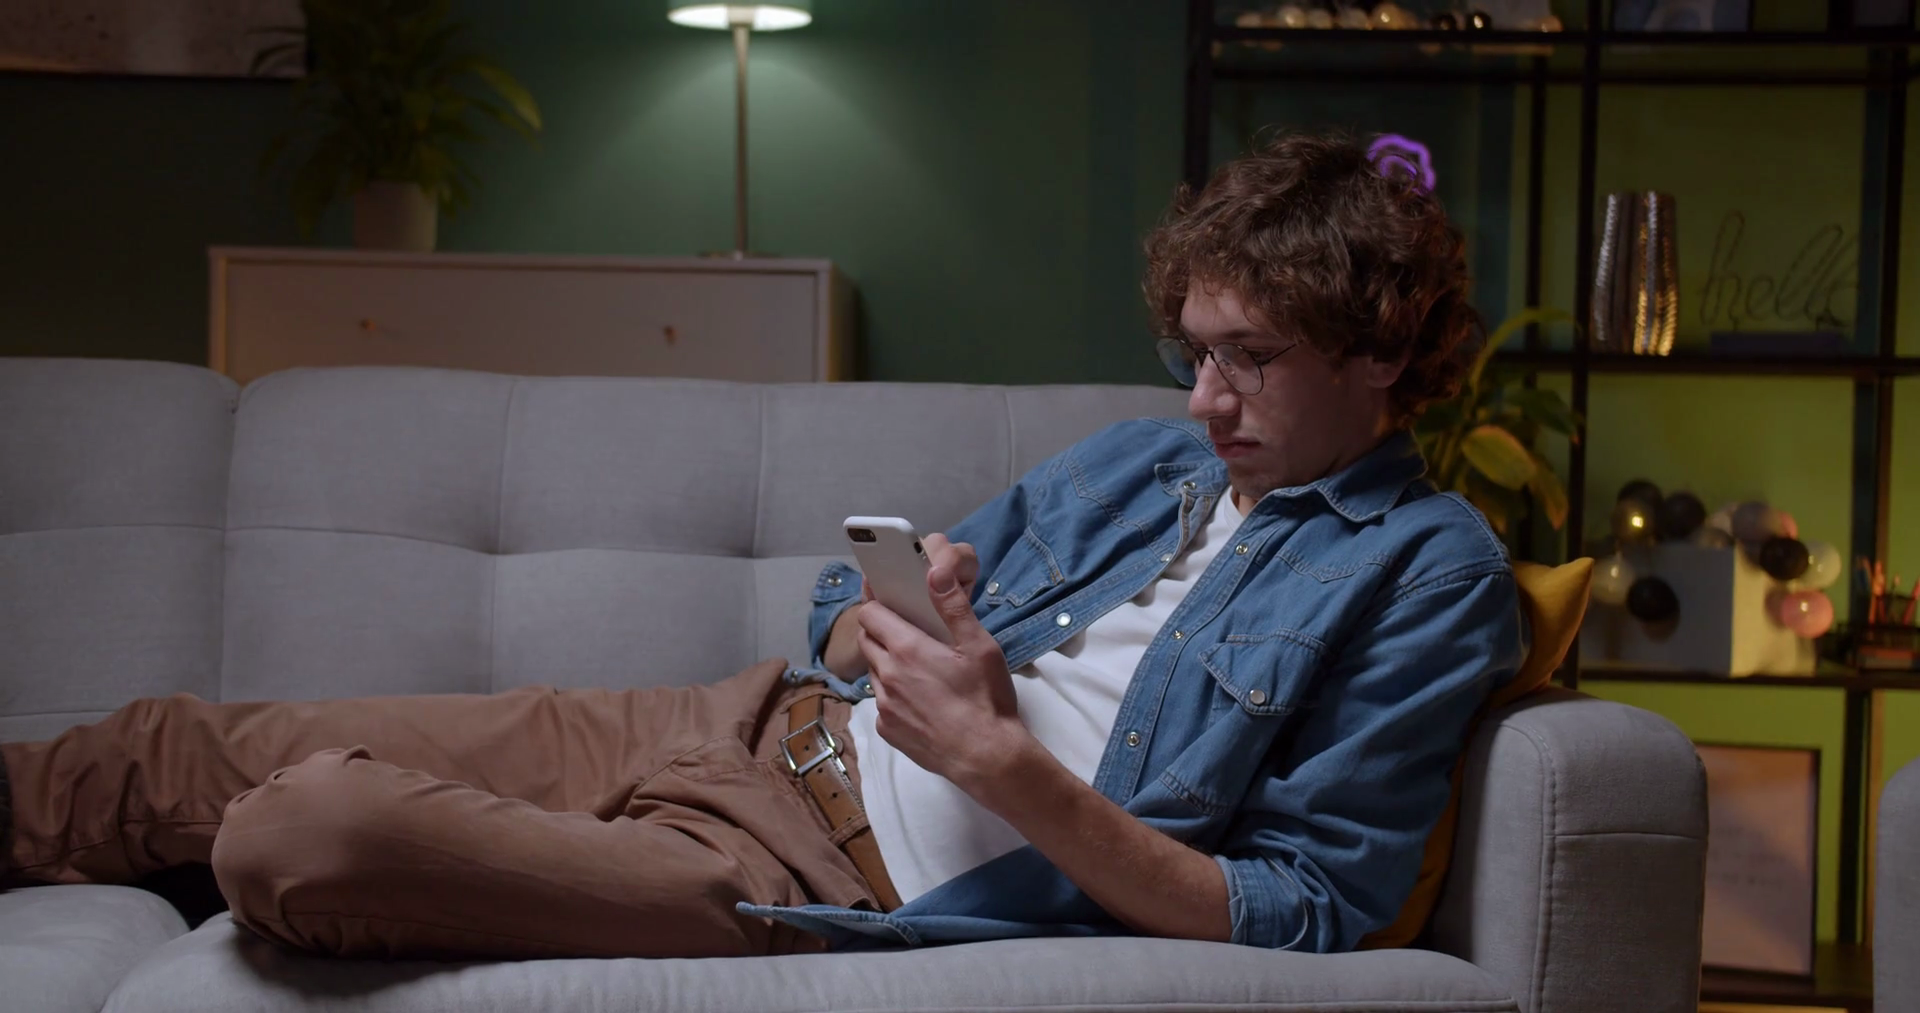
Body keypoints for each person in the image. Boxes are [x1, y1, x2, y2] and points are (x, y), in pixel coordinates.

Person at [0, 129, 1526, 961]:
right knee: (177, 746)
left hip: (799, 874)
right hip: (742, 724)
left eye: (1250, 359)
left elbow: (1303, 910)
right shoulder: (1149, 464)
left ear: (1384, 349)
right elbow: (844, 612)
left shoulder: (1429, 570)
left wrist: (1001, 766)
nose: (1203, 401)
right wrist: (889, 617)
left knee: (298, 834)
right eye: (1194, 352)